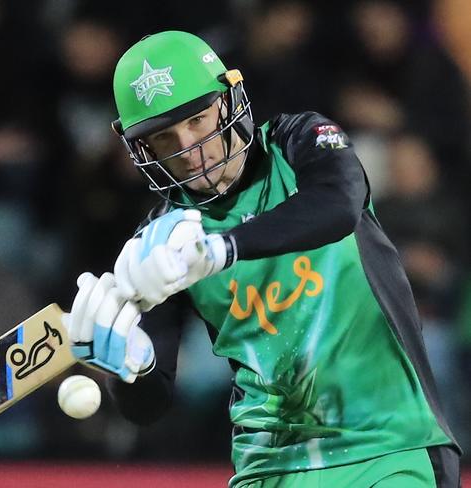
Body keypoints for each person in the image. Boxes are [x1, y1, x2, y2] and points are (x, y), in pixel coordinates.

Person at [64, 31, 461, 487]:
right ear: (143, 149)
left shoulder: (300, 141)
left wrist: (222, 249)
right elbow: (147, 407)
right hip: (268, 467)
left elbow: (338, 205)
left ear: (229, 100)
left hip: (390, 447)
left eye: (196, 120)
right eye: (163, 137)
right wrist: (130, 366)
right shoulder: (157, 245)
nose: (190, 150)